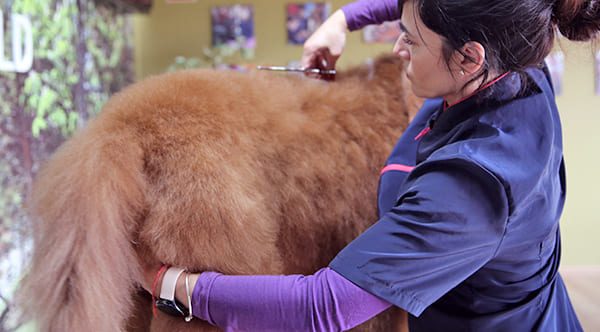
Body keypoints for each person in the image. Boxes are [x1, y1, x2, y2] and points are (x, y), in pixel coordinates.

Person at [144, 0, 599, 330]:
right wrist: (341, 21)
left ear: (469, 58)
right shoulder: (514, 58)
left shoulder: (472, 190)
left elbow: (322, 308)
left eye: (411, 40)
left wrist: (174, 285)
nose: (398, 48)